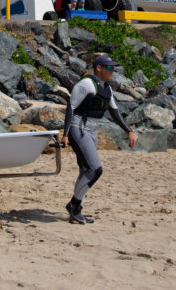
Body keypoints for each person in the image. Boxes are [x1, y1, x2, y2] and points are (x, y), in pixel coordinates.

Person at [61, 54, 136, 224]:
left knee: (85, 170)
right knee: (95, 170)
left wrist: (128, 131)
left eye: (113, 68)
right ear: (99, 68)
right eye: (109, 68)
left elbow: (115, 113)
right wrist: (65, 134)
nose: (112, 71)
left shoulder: (106, 88)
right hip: (78, 129)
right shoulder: (86, 84)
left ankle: (76, 210)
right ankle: (73, 205)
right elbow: (71, 108)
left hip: (92, 131)